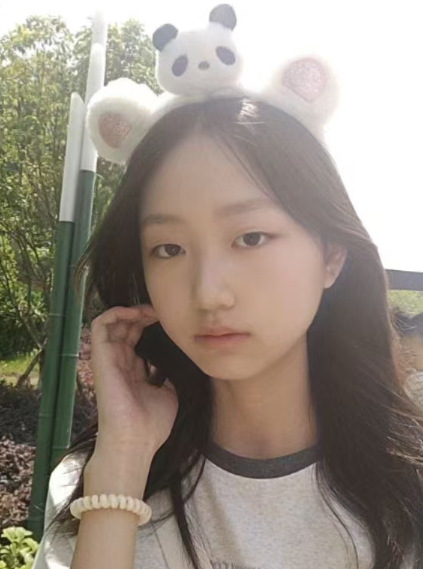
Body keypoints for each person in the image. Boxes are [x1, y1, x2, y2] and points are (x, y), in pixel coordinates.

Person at [32, 5, 423, 569]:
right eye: (169, 249)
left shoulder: (407, 478)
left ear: (331, 254)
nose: (208, 294)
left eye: (251, 237)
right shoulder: (97, 482)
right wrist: (122, 464)